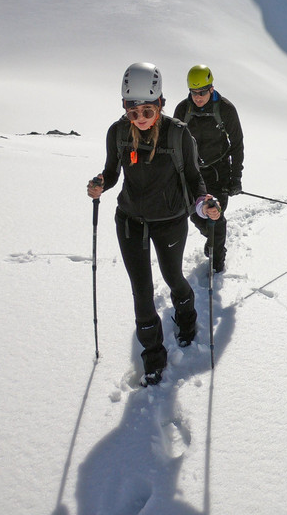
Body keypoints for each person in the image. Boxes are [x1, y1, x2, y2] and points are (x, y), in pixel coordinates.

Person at [86, 62, 221, 387]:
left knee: (173, 277)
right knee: (142, 292)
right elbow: (113, 171)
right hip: (130, 219)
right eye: (134, 111)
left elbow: (193, 179)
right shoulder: (118, 133)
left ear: (160, 103)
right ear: (125, 108)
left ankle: (187, 319)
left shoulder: (178, 134)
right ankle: (153, 359)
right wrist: (101, 183)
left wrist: (204, 205)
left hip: (171, 220)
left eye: (148, 109)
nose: (141, 118)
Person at [173, 64, 244, 273]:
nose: (198, 97)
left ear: (211, 88)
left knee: (216, 216)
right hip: (193, 174)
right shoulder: (182, 110)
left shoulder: (226, 109)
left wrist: (235, 178)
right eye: (193, 93)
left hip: (219, 171)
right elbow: (173, 143)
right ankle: (213, 240)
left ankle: (217, 260)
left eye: (202, 92)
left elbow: (237, 144)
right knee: (197, 216)